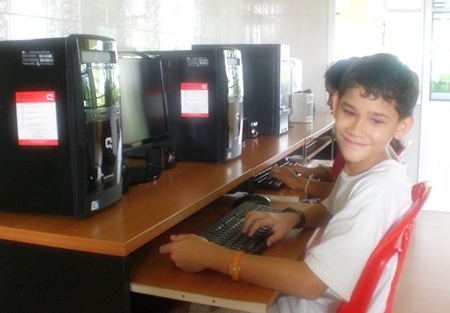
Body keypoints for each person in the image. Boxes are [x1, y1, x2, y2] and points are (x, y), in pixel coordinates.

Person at [159, 53, 420, 313]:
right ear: (337, 103)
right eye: (350, 112)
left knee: (185, 302)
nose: (357, 129)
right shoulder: (373, 165)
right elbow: (331, 207)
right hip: (312, 300)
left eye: (376, 120)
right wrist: (291, 218)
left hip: (305, 303)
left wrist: (211, 256)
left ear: (402, 126)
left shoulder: (375, 193)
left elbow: (310, 284)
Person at [268, 57, 359, 200]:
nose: (329, 102)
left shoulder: (357, 142)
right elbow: (345, 178)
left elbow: (343, 194)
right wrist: (324, 172)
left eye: (331, 94)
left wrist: (298, 182)